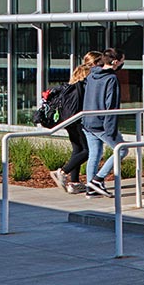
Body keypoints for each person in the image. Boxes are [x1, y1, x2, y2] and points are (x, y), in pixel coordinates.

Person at [47, 51, 99, 192]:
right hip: (78, 118)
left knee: (77, 149)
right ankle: (63, 172)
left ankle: (74, 183)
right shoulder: (89, 75)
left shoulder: (78, 71)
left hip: (68, 119)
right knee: (87, 151)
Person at [81, 49, 124, 197]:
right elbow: (111, 105)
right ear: (115, 62)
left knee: (95, 153)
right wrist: (110, 129)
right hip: (101, 123)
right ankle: (97, 180)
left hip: (88, 121)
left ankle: (91, 188)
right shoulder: (111, 79)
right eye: (122, 61)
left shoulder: (92, 75)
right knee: (122, 149)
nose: (123, 64)